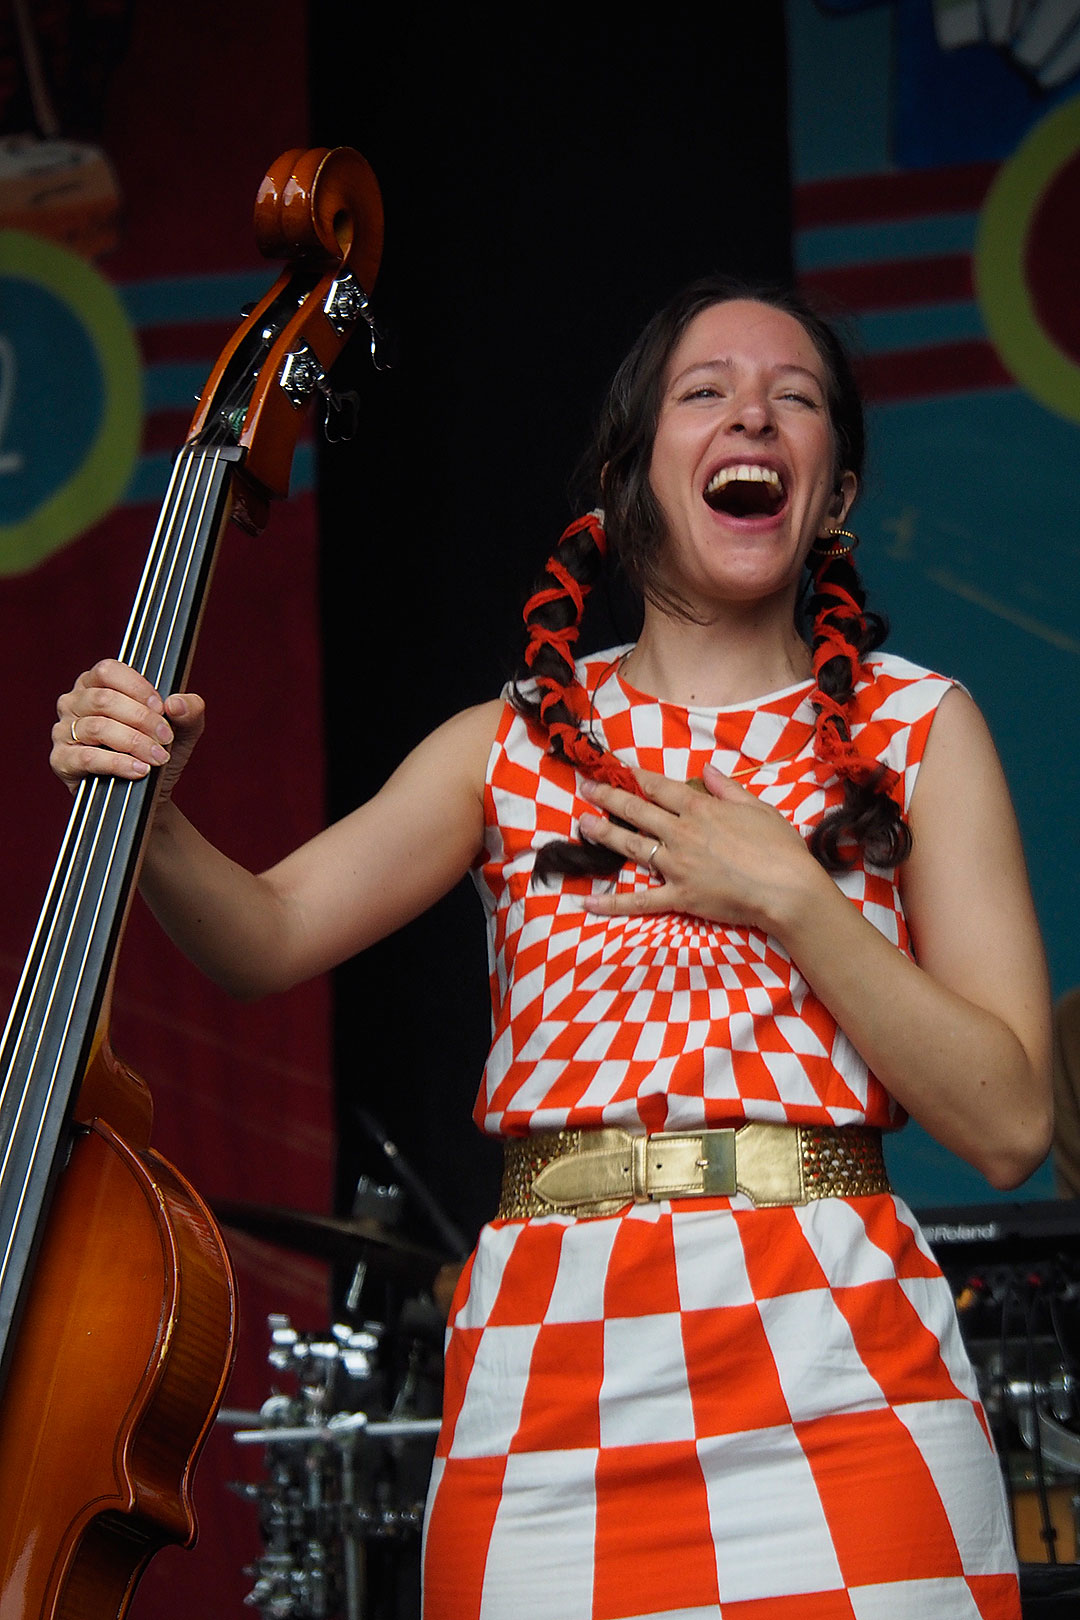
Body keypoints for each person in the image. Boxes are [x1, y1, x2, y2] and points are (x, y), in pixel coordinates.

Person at [53, 279, 1052, 1620]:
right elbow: (265, 935)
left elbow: (1008, 1124)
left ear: (838, 496)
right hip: (548, 1391)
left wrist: (794, 898)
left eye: (794, 397)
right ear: (627, 480)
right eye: (704, 392)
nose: (752, 410)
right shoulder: (509, 744)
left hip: (846, 1385)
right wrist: (154, 817)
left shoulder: (925, 729)